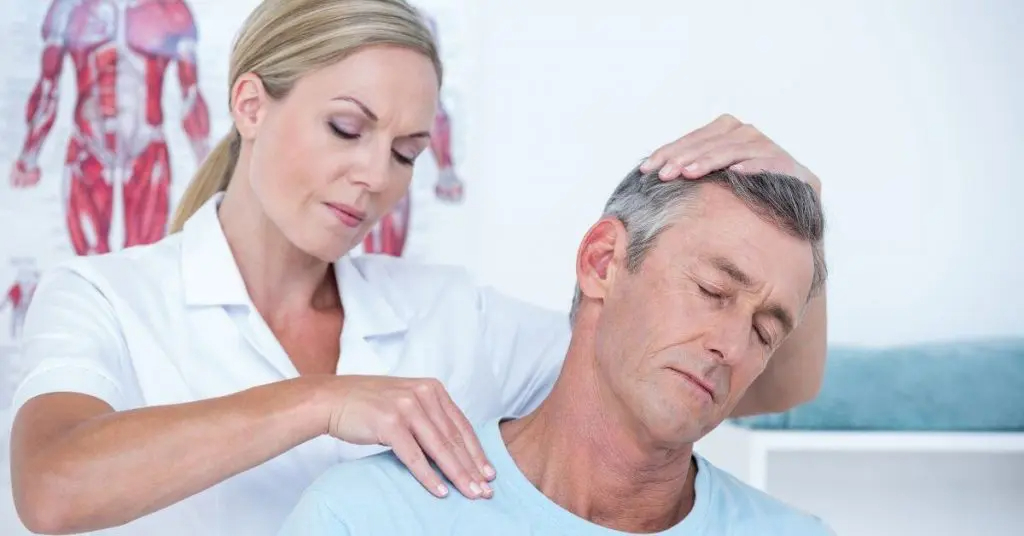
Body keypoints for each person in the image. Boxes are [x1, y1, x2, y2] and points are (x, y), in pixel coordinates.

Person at [7, 0, 826, 535]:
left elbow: (749, 382)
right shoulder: (105, 297)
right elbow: (52, 489)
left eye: (406, 152)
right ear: (251, 105)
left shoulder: (453, 318)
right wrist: (321, 403)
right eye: (345, 128)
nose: (376, 178)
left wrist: (805, 219)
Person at [278, 167, 832, 535]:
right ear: (602, 263)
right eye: (713, 292)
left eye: (764, 332)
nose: (731, 345)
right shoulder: (368, 518)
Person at [9, 0, 211, 255]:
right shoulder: (68, 8)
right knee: (92, 266)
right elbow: (48, 88)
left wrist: (207, 164)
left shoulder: (171, 10)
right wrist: (28, 157)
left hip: (146, 149)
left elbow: (190, 94)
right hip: (89, 148)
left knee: (143, 261)